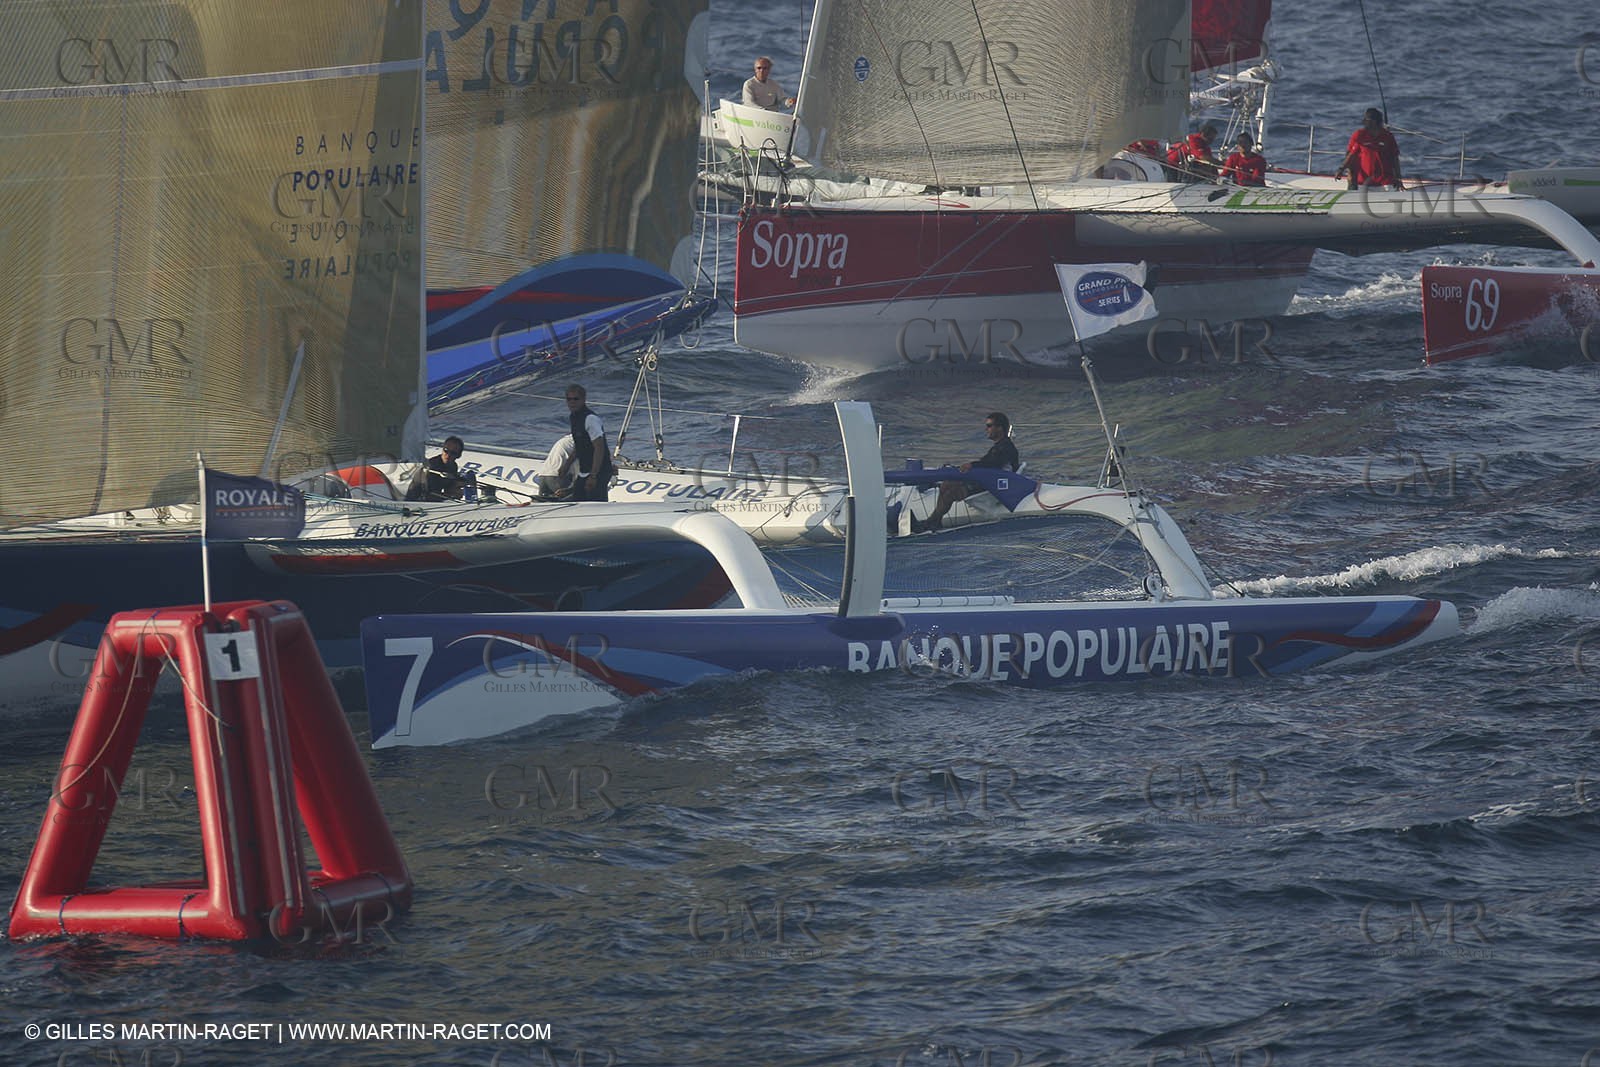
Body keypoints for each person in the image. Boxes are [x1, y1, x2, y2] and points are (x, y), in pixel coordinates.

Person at [910, 412, 1020, 533]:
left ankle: (931, 523)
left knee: (949, 489)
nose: (986, 429)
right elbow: (988, 463)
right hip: (987, 480)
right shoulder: (1000, 446)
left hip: (993, 486)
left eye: (989, 426)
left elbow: (993, 464)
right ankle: (934, 522)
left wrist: (971, 465)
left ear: (999, 428)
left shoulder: (1006, 447)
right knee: (947, 484)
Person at [562, 385, 614, 502]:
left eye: (576, 399)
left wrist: (594, 475)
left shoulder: (590, 418)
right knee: (578, 498)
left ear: (583, 399)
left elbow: (599, 447)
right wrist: (566, 465)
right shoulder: (573, 417)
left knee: (596, 502)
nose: (572, 402)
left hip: (599, 470)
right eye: (569, 399)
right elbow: (579, 446)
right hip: (584, 469)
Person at [1335, 108, 1404, 190]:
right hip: (1364, 181)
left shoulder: (1388, 136)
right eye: (1366, 121)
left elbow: (1394, 157)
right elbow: (1351, 155)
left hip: (1386, 181)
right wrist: (1341, 169)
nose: (1367, 123)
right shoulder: (1360, 135)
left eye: (1370, 121)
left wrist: (1398, 178)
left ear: (1377, 122)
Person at [405, 435, 473, 501]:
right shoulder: (431, 467)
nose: (448, 455)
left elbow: (449, 484)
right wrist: (451, 495)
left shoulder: (453, 466)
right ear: (442, 450)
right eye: (446, 450)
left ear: (458, 455)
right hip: (417, 501)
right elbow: (429, 495)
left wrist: (460, 484)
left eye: (453, 453)